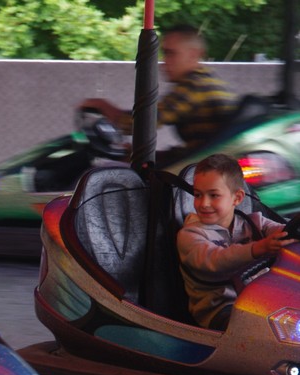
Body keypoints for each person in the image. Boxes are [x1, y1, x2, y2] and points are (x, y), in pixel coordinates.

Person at [80, 24, 237, 163]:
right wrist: (141, 155)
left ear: (193, 54)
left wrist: (103, 106)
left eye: (171, 54)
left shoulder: (194, 86)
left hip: (204, 169)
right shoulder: (209, 81)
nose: (164, 61)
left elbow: (143, 124)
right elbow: (192, 150)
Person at [177, 153, 291, 330]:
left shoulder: (254, 223)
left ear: (237, 198)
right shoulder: (190, 235)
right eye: (198, 195)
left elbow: (283, 231)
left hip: (259, 299)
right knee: (263, 328)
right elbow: (216, 260)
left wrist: (291, 233)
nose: (203, 203)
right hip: (220, 309)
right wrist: (259, 248)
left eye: (213, 195)